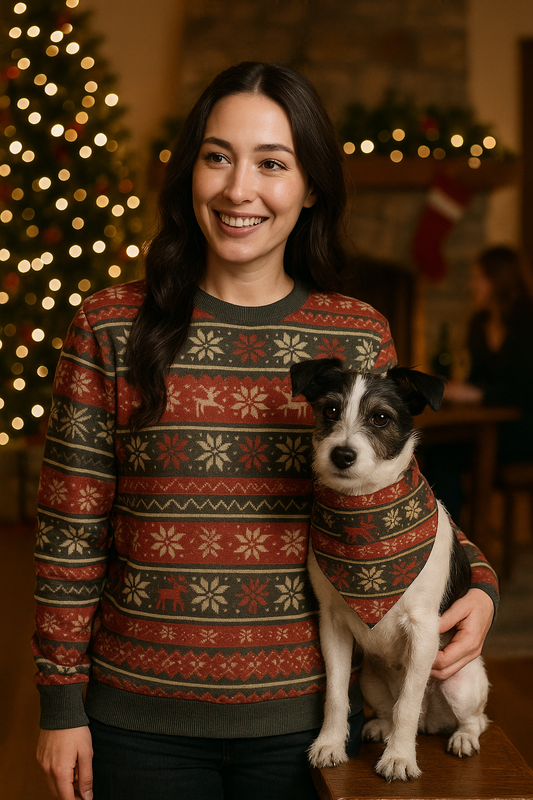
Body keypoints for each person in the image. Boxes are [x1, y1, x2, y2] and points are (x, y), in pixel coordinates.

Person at [33, 62, 498, 800]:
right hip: (137, 716)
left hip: (311, 725)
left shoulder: (354, 329)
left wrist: (476, 580)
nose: (237, 188)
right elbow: (68, 531)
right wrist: (60, 704)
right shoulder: (110, 325)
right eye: (217, 157)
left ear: (309, 186)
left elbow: (391, 489)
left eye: (271, 163)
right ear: (191, 171)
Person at [425, 246, 533, 520]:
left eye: (478, 278)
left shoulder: (527, 323)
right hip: (490, 423)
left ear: (498, 281)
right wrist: (459, 390)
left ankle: (456, 536)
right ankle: (446, 533)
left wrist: (478, 395)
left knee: (446, 453)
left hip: (524, 427)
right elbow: (475, 381)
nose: (471, 285)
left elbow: (524, 391)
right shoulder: (478, 324)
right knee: (434, 448)